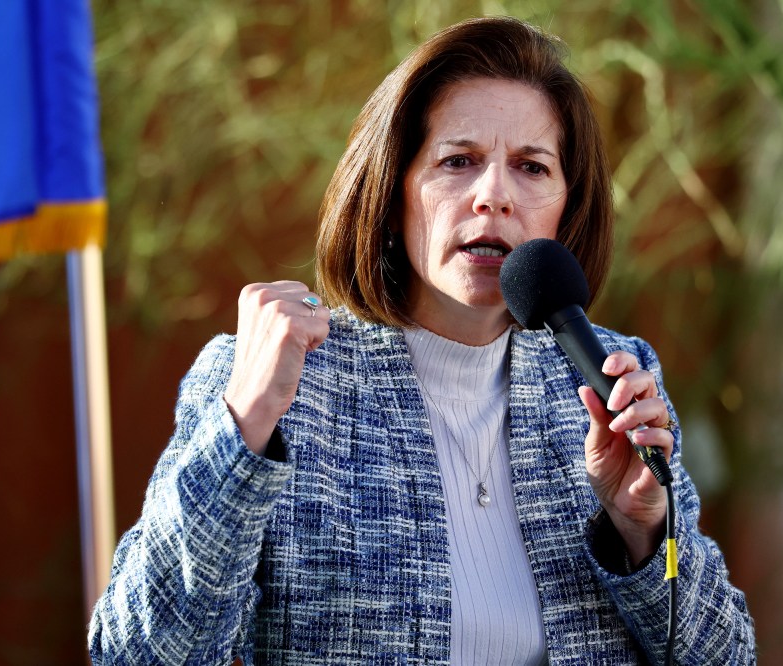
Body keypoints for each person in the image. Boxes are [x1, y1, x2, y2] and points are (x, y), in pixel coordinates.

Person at [89, 16, 755, 665]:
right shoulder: (279, 380)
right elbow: (138, 652)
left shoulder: (612, 375)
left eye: (531, 167)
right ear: (393, 187)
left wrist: (642, 531)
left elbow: (726, 654)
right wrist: (242, 431)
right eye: (458, 161)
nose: (493, 195)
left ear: (566, 204)